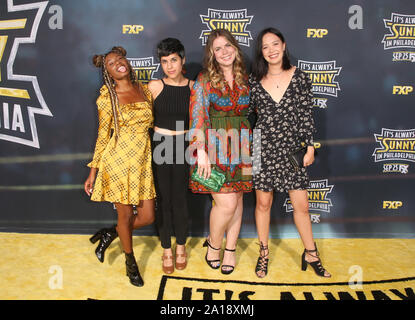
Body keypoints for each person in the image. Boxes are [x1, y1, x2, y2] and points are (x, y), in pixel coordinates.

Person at [249, 27, 331, 278]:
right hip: (263, 148)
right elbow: (247, 116)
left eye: (275, 44)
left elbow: (306, 115)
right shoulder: (254, 81)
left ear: (284, 46)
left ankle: (311, 253)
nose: (271, 50)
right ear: (261, 52)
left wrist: (309, 146)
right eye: (265, 46)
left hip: (292, 148)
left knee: (302, 206)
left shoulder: (300, 77)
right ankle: (263, 254)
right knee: (263, 204)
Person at [84, 46, 156, 287]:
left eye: (120, 59)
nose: (118, 64)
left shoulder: (145, 90)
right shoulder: (108, 97)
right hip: (117, 162)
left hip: (142, 162)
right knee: (124, 216)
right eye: (112, 64)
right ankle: (130, 263)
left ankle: (110, 233)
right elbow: (102, 135)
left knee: (147, 216)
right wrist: (93, 172)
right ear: (108, 73)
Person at [189, 29, 252, 275]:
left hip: (243, 144)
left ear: (235, 48)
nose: (224, 52)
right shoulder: (204, 79)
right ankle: (214, 245)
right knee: (225, 203)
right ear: (212, 54)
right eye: (218, 48)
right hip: (214, 145)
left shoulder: (246, 78)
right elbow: (197, 116)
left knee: (237, 201)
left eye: (228, 46)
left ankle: (230, 250)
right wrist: (200, 151)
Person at [148, 38, 194, 274]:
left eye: (173, 60)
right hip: (161, 145)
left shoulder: (193, 87)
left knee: (180, 200)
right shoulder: (154, 87)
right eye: (164, 61)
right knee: (163, 201)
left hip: (183, 145)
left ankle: (181, 247)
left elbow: (201, 122)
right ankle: (166, 249)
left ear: (182, 60)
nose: (169, 66)